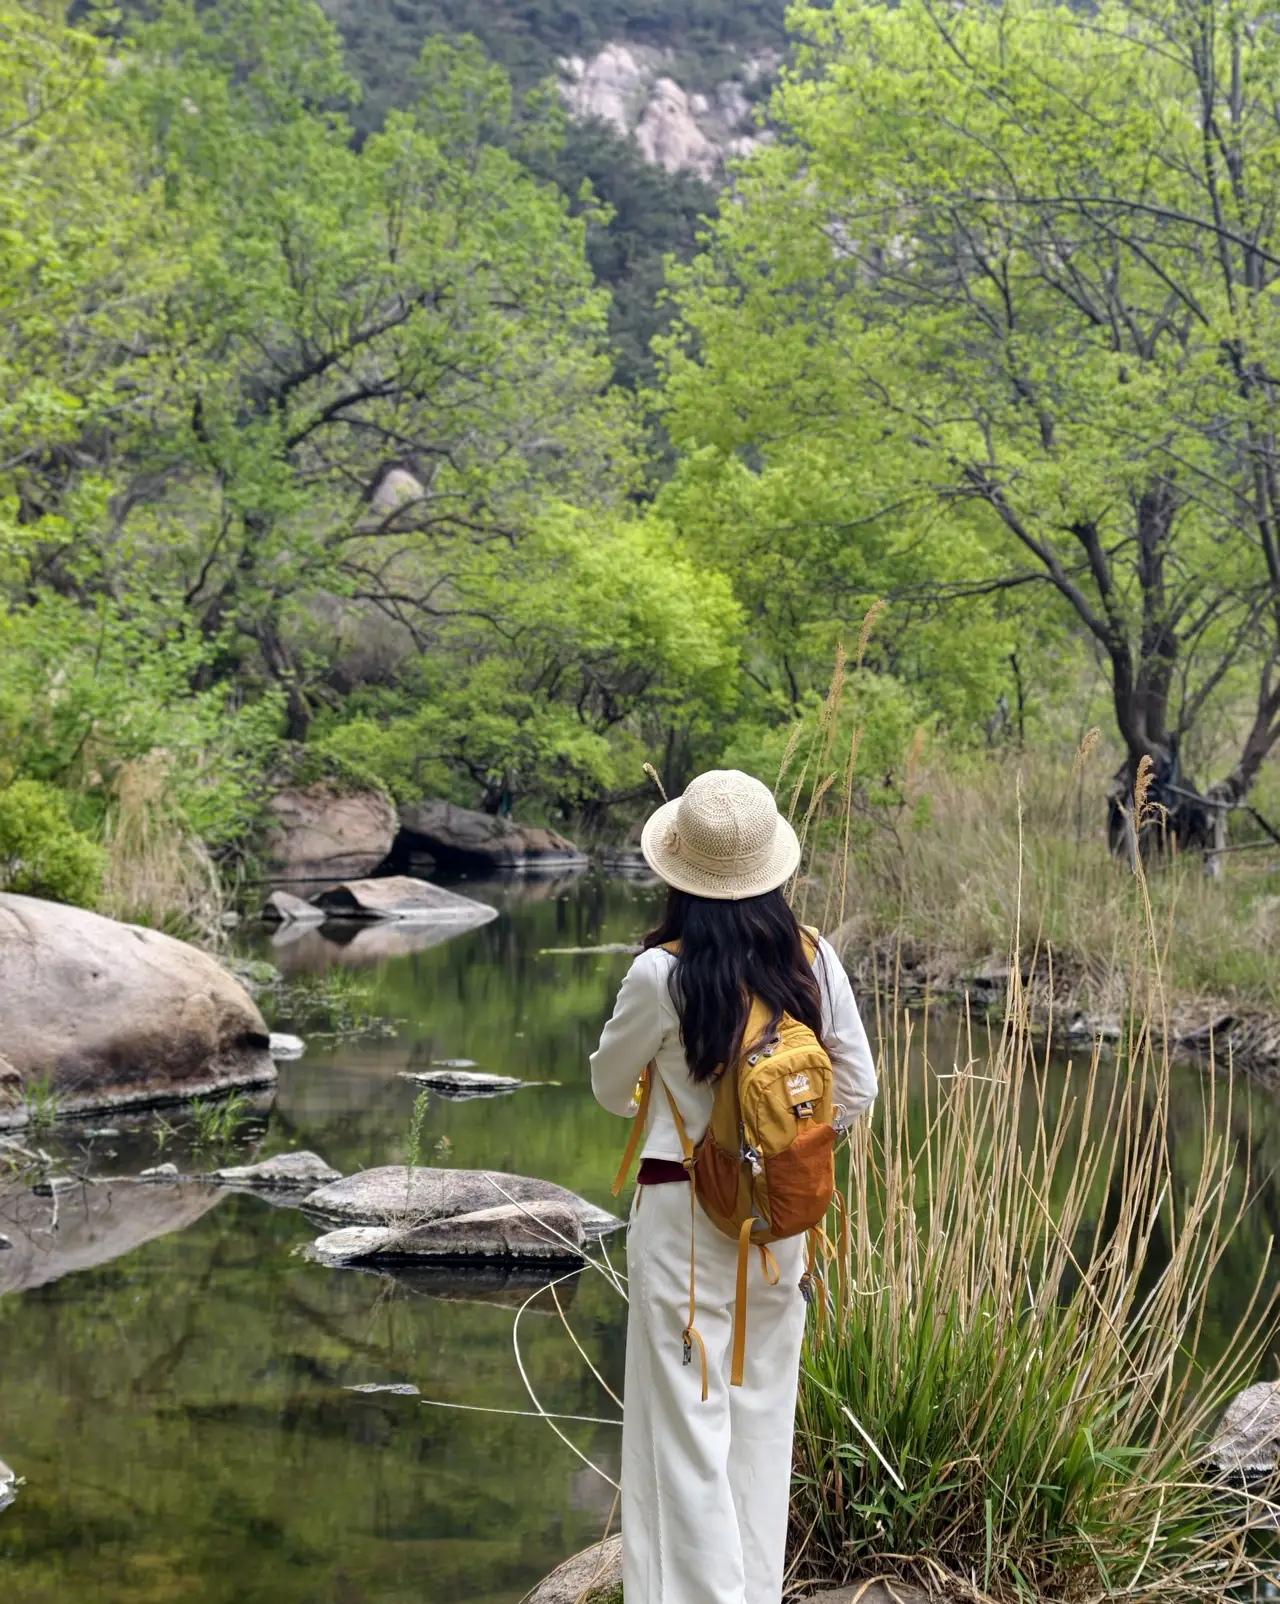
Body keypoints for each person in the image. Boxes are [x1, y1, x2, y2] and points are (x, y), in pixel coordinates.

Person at [590, 769, 878, 1604]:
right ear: (772, 868)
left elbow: (611, 1090)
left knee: (684, 1433)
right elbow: (854, 1090)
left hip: (683, 1222)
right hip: (780, 1225)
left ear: (678, 872)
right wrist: (773, 1156)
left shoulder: (659, 975)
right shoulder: (813, 959)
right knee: (760, 1424)